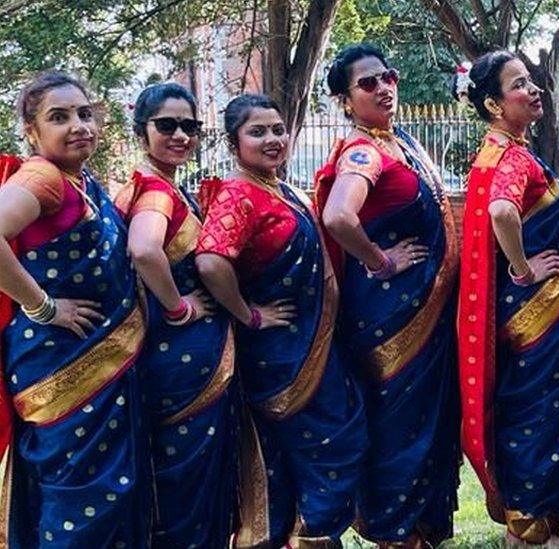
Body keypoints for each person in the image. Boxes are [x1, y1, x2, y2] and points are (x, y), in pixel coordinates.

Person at [195, 94, 367, 547]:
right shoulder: (239, 193)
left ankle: (310, 533)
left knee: (333, 440)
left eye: (277, 129)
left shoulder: (280, 187)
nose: (272, 139)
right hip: (279, 354)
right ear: (234, 143)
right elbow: (212, 261)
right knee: (323, 443)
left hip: (315, 342)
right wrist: (248, 314)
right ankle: (309, 536)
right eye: (258, 132)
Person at [316, 44, 460, 547]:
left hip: (424, 310)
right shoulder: (363, 151)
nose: (383, 87)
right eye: (367, 83)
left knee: (425, 419)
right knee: (399, 425)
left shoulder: (400, 143)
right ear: (345, 100)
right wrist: (380, 259)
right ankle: (396, 533)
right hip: (390, 317)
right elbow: (338, 216)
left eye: (387, 76)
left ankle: (418, 529)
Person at [456, 50, 559, 547]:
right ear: (495, 104)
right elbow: (502, 211)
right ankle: (529, 525)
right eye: (520, 85)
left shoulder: (500, 151)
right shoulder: (512, 158)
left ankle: (539, 517)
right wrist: (523, 269)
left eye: (532, 80)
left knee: (534, 406)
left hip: (533, 312)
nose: (534, 89)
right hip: (537, 310)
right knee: (539, 409)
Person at [0, 71, 149, 546]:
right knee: (79, 495)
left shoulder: (81, 181)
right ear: (32, 132)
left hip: (92, 359)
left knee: (99, 493)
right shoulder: (43, 176)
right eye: (59, 117)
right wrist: (43, 308)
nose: (79, 125)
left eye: (85, 113)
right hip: (60, 360)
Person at [113, 83, 237, 546]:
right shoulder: (154, 191)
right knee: (187, 482)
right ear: (141, 131)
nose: (181, 135)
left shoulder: (154, 185)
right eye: (167, 125)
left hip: (170, 357)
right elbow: (144, 250)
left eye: (190, 126)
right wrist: (179, 307)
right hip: (182, 362)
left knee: (176, 478)